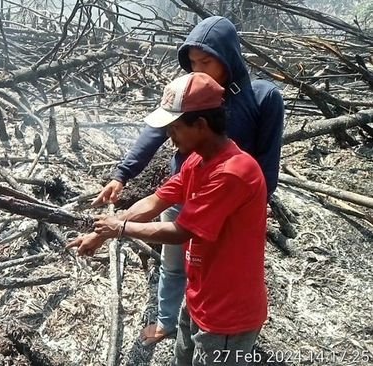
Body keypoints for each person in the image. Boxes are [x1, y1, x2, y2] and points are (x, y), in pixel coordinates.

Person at [91, 16, 284, 344]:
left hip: (231, 205)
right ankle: (174, 321)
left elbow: (267, 165)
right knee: (178, 263)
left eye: (205, 61)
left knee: (221, 271)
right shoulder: (192, 103)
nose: (198, 70)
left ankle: (227, 330)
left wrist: (254, 211)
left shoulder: (262, 98)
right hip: (187, 190)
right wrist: (121, 176)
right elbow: (155, 140)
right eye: (192, 62)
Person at [69, 72, 268, 366]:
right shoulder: (197, 161)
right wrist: (101, 233)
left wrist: (120, 228)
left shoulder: (232, 173)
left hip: (228, 313)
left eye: (174, 128)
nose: (169, 136)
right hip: (201, 295)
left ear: (200, 125)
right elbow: (155, 201)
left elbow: (181, 231)